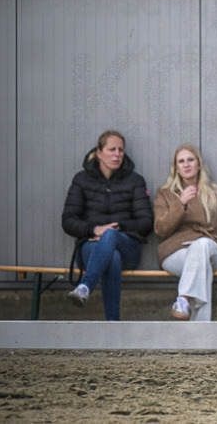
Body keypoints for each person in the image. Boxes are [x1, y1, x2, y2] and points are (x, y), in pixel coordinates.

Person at [61, 130, 153, 320]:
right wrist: (94, 230)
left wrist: (116, 228)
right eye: (112, 149)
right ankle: (113, 325)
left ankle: (86, 285)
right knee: (113, 257)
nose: (117, 154)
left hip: (128, 247)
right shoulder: (81, 180)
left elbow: (146, 223)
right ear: (99, 153)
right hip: (89, 248)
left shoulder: (135, 181)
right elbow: (68, 220)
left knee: (111, 236)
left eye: (121, 150)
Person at [154, 143, 217, 321]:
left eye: (190, 160)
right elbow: (161, 229)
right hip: (176, 251)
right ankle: (200, 334)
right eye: (181, 161)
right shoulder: (165, 194)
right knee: (203, 267)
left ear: (199, 164)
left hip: (210, 247)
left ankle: (183, 299)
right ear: (176, 168)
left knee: (201, 246)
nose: (186, 164)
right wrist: (181, 205)